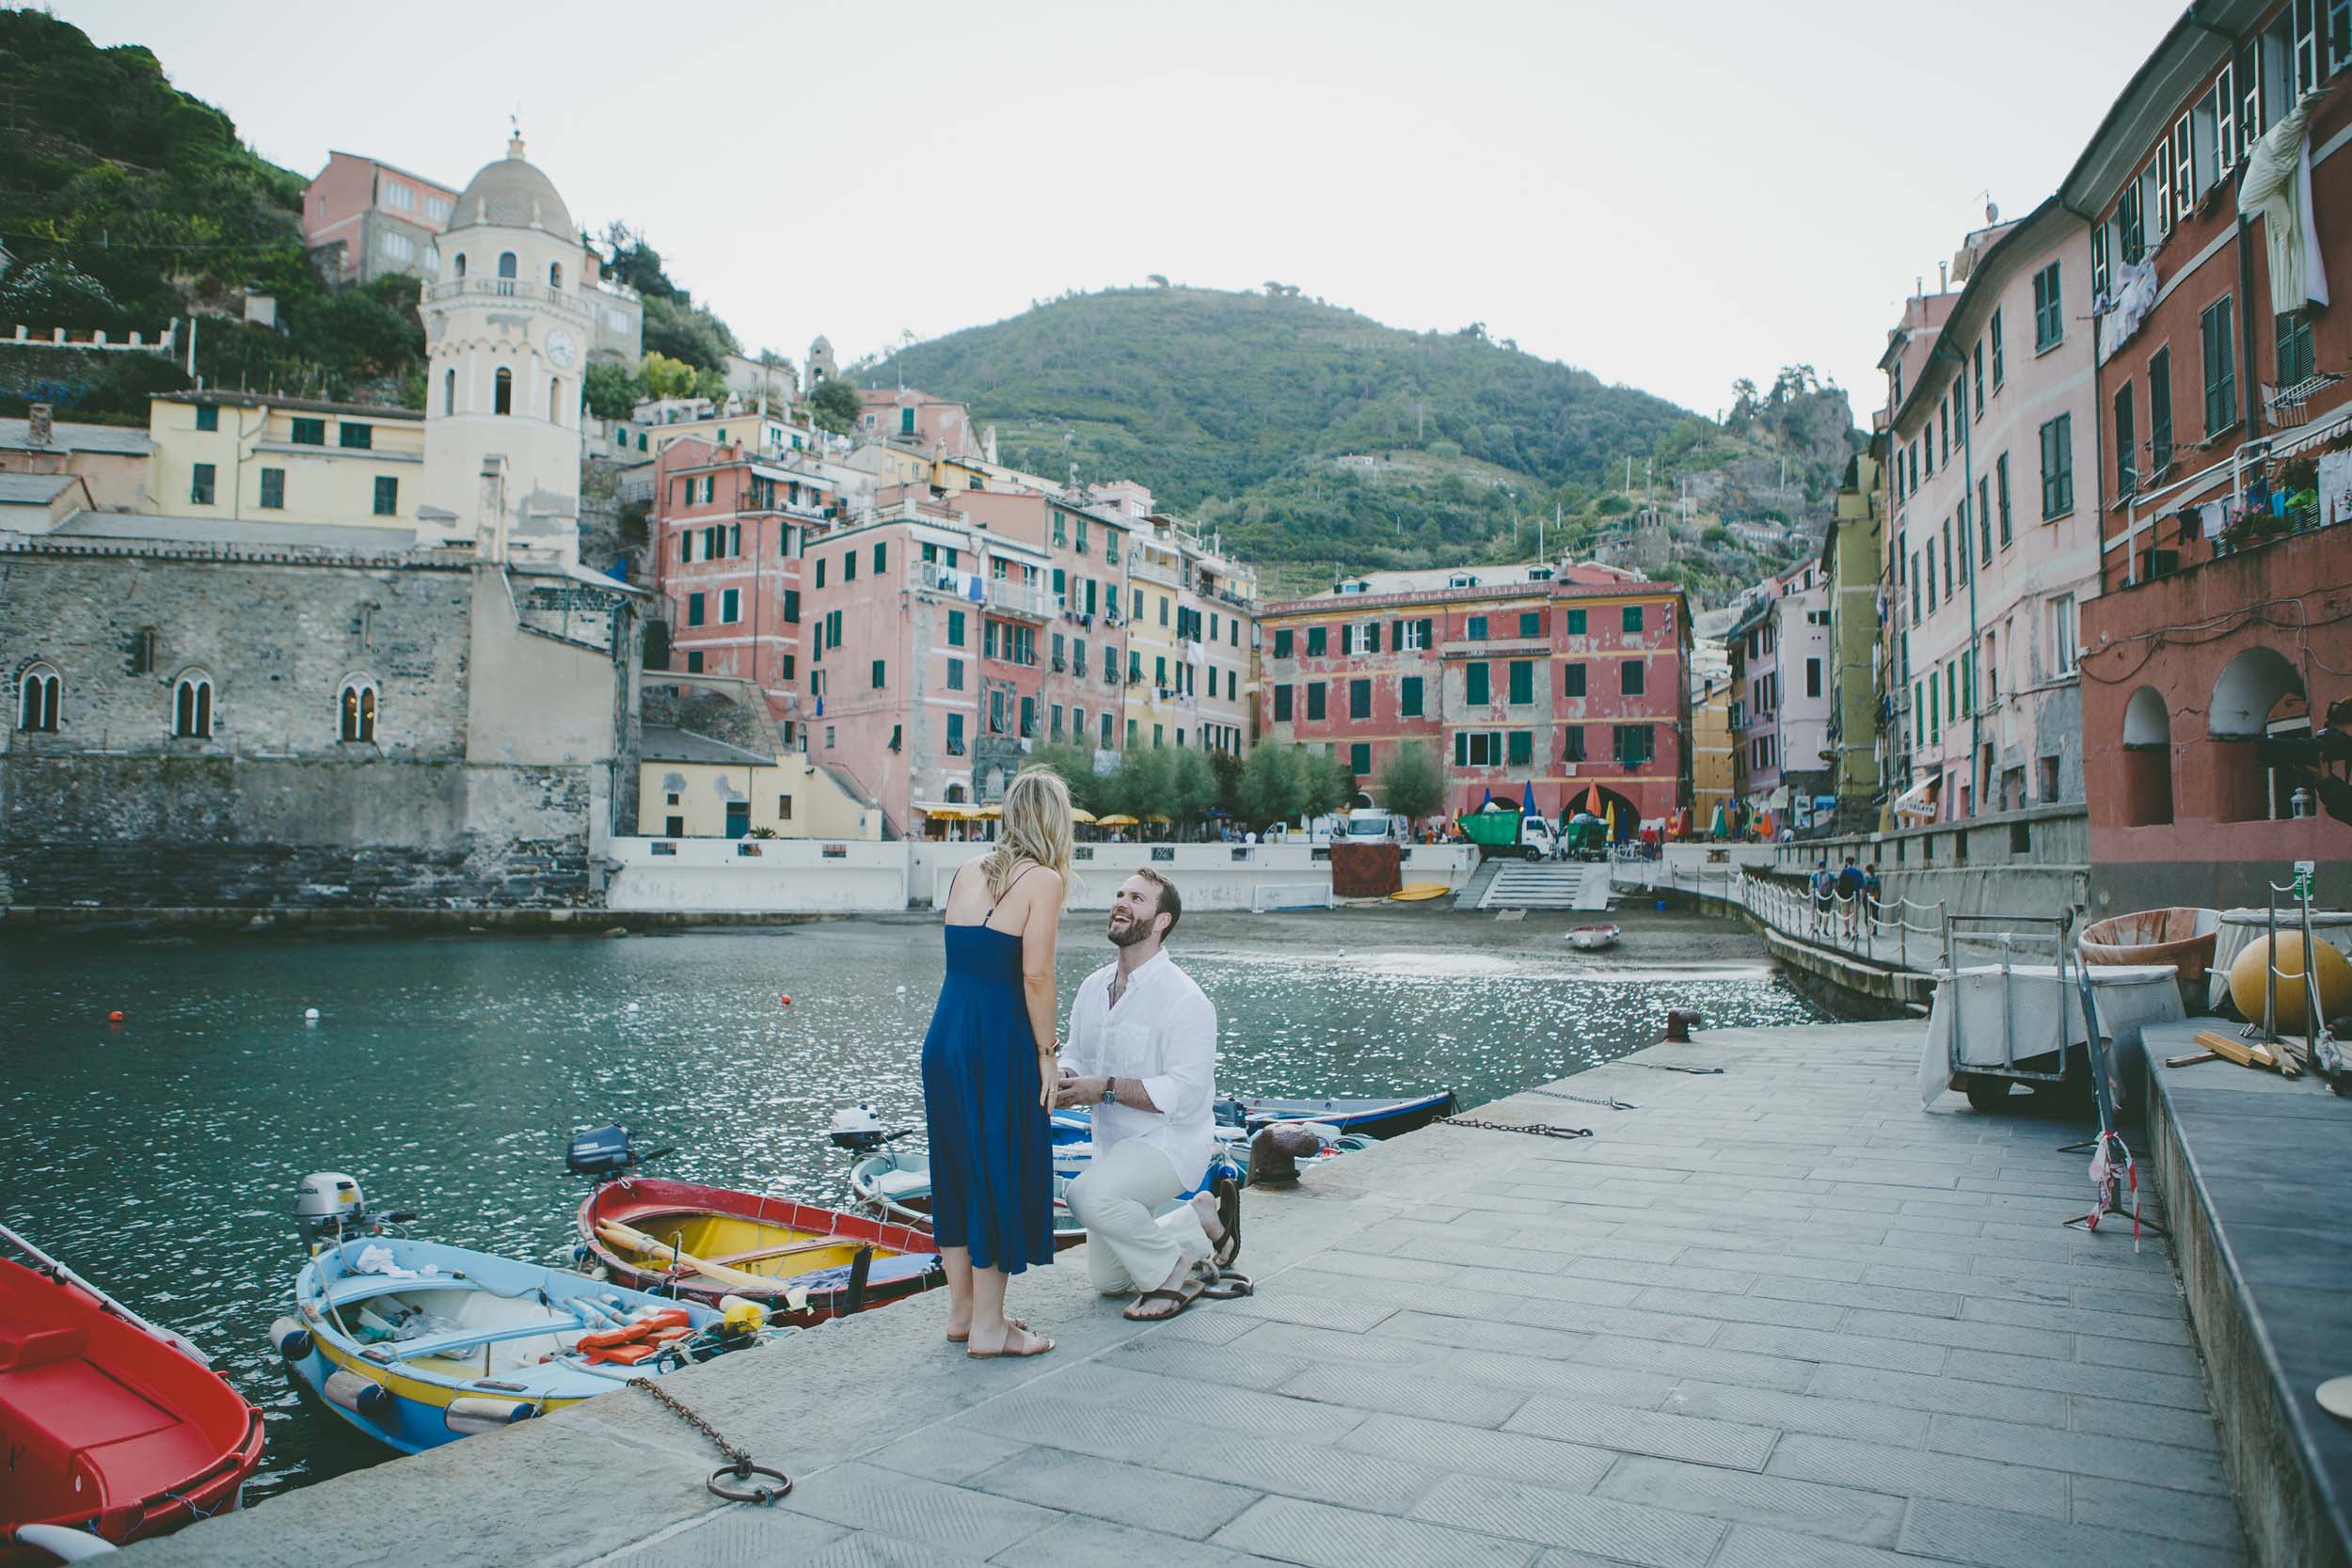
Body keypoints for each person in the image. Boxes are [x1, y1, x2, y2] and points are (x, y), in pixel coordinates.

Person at [922, 767, 1070, 1359]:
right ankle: (990, 1328)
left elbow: (968, 957)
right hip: (997, 1041)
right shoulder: (1045, 881)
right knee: (999, 1170)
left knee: (956, 1172)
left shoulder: (963, 871)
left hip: (946, 1037)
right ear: (1055, 822)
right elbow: (1035, 975)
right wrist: (1048, 1055)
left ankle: (964, 1315)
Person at [1055, 871, 1238, 1321]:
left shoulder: (1186, 999)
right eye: (1119, 894)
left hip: (1168, 1145)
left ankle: (1173, 1269)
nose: (1121, 902)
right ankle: (1208, 1226)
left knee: (1085, 1197)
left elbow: (1188, 1094)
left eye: (1137, 898)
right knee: (1110, 1283)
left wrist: (1105, 1089)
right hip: (1115, 1150)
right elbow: (1078, 1053)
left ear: (1161, 921)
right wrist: (1061, 1078)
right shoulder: (1092, 987)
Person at [1835, 855, 1864, 939]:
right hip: (1856, 896)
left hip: (1846, 896)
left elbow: (1840, 885)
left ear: (1846, 862)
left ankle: (1847, 931)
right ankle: (1855, 928)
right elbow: (1862, 885)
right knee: (1855, 913)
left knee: (1845, 913)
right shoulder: (1859, 873)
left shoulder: (1844, 872)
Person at [1808, 858, 1835, 937]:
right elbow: (1834, 887)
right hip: (1827, 896)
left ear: (1818, 866)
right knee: (1826, 912)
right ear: (1825, 866)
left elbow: (1810, 887)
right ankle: (1825, 930)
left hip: (1818, 896)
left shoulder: (1814, 875)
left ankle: (1817, 927)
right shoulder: (1830, 875)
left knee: (1818, 912)